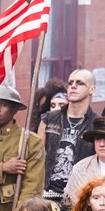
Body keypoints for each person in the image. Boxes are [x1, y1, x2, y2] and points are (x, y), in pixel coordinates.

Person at [38, 69, 98, 198]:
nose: (73, 86)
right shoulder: (48, 119)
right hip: (48, 195)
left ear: (92, 89)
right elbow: (37, 157)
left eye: (80, 83)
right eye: (70, 83)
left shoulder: (97, 125)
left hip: (80, 197)